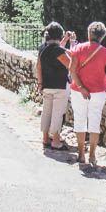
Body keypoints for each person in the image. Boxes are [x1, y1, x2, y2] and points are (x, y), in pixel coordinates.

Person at [68, 21, 106, 168]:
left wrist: (81, 87)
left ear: (89, 34)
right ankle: (92, 155)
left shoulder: (77, 48)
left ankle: (81, 154)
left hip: (78, 91)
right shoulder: (105, 52)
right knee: (94, 122)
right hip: (98, 92)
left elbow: (72, 70)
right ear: (102, 37)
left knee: (80, 120)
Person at [36, 22, 75, 151]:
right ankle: (56, 141)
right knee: (57, 113)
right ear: (59, 35)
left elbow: (38, 67)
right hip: (60, 85)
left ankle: (45, 138)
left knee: (46, 112)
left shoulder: (42, 49)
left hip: (46, 84)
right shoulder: (58, 51)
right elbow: (71, 65)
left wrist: (40, 83)